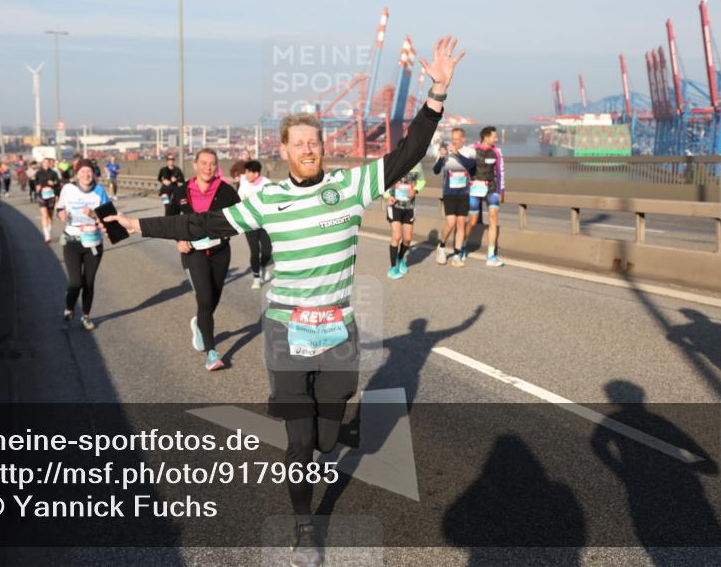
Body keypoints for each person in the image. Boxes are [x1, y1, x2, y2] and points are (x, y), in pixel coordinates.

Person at [104, 35, 463, 566]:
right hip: (285, 330)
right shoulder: (267, 199)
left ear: (322, 147)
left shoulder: (351, 186)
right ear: (284, 151)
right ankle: (304, 527)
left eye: (314, 142)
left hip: (337, 329)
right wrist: (139, 225)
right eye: (299, 144)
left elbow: (409, 152)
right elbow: (204, 224)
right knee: (300, 444)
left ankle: (324, 435)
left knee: (327, 438)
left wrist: (436, 93)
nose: (309, 150)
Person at [166, 148, 241, 371]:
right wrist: (179, 239)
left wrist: (229, 230)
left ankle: (200, 322)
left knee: (213, 298)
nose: (208, 168)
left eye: (212, 164)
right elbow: (170, 218)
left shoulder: (226, 191)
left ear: (217, 166)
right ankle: (211, 352)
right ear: (195, 165)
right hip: (193, 252)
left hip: (220, 252)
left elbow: (239, 217)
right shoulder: (182, 191)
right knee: (205, 298)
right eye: (204, 163)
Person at [56, 159, 111, 331]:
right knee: (75, 282)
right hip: (72, 241)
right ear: (77, 174)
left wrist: (94, 214)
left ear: (93, 173)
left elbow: (109, 216)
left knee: (88, 282)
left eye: (89, 172)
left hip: (93, 242)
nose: (86, 175)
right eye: (82, 172)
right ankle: (69, 310)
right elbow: (59, 208)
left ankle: (86, 316)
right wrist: (61, 214)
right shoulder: (68, 189)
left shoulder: (100, 191)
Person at [432, 127, 476, 266]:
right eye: (452, 139)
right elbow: (436, 170)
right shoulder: (445, 151)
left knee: (461, 223)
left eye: (457, 139)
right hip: (449, 193)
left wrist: (456, 153)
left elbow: (471, 166)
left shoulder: (470, 151)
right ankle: (441, 246)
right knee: (451, 223)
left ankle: (457, 255)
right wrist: (441, 157)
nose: (454, 141)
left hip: (464, 193)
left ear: (463, 139)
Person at [466, 125, 505, 267]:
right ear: (486, 137)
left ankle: (491, 256)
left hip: (491, 187)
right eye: (494, 136)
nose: (497, 139)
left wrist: (501, 191)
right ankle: (462, 246)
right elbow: (464, 168)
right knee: (472, 221)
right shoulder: (471, 149)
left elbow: (500, 172)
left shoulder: (497, 151)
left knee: (493, 218)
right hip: (475, 188)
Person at [384, 160, 425, 279]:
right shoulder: (394, 161)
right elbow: (384, 181)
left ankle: (400, 258)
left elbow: (422, 181)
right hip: (395, 206)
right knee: (397, 236)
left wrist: (415, 190)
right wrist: (387, 196)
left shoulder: (417, 164)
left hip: (409, 207)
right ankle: (392, 268)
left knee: (407, 239)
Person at [238, 160, 272, 289]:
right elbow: (240, 203)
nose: (246, 175)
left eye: (248, 172)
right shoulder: (244, 186)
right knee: (254, 251)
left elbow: (272, 202)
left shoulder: (267, 184)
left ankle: (262, 267)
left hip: (264, 223)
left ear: (256, 173)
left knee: (267, 251)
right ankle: (256, 278)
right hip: (250, 223)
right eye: (245, 172)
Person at [35, 157, 61, 243]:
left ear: (50, 164)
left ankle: (48, 231)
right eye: (44, 162)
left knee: (50, 215)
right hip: (41, 195)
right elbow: (35, 183)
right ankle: (46, 235)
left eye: (47, 162)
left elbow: (58, 183)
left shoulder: (53, 173)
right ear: (42, 164)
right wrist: (37, 187)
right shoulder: (39, 173)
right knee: (44, 214)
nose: (46, 164)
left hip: (51, 196)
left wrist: (53, 183)